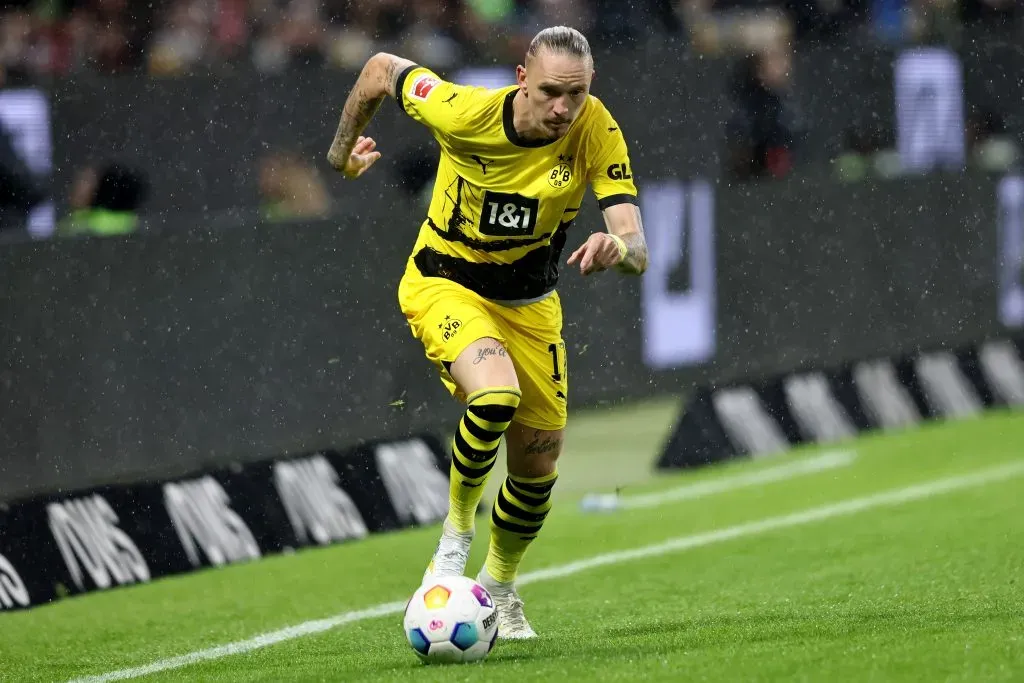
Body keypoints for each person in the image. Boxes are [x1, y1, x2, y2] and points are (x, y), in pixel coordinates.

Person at [326, 26, 648, 639]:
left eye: (575, 94)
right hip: (444, 281)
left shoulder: (595, 127)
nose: (563, 108)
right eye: (551, 92)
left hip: (530, 305)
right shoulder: (462, 110)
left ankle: (498, 587)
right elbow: (378, 69)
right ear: (521, 79)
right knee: (495, 393)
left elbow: (637, 245)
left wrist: (619, 249)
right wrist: (341, 155)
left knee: (537, 467)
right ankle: (453, 544)